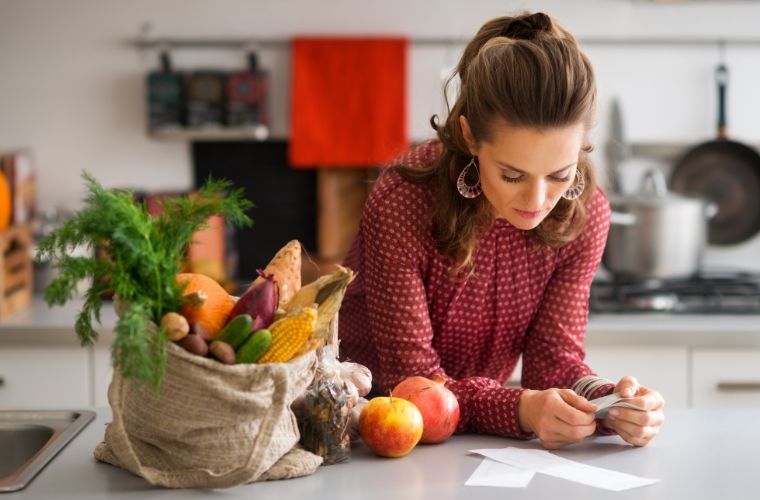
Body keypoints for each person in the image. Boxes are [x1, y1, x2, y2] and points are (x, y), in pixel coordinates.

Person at [338, 11, 665, 449]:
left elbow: (553, 363)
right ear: (471, 136)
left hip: (474, 442)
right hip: (365, 432)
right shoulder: (403, 202)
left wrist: (608, 404)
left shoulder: (584, 216)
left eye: (560, 174)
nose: (536, 202)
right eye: (512, 175)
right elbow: (412, 384)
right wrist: (521, 409)